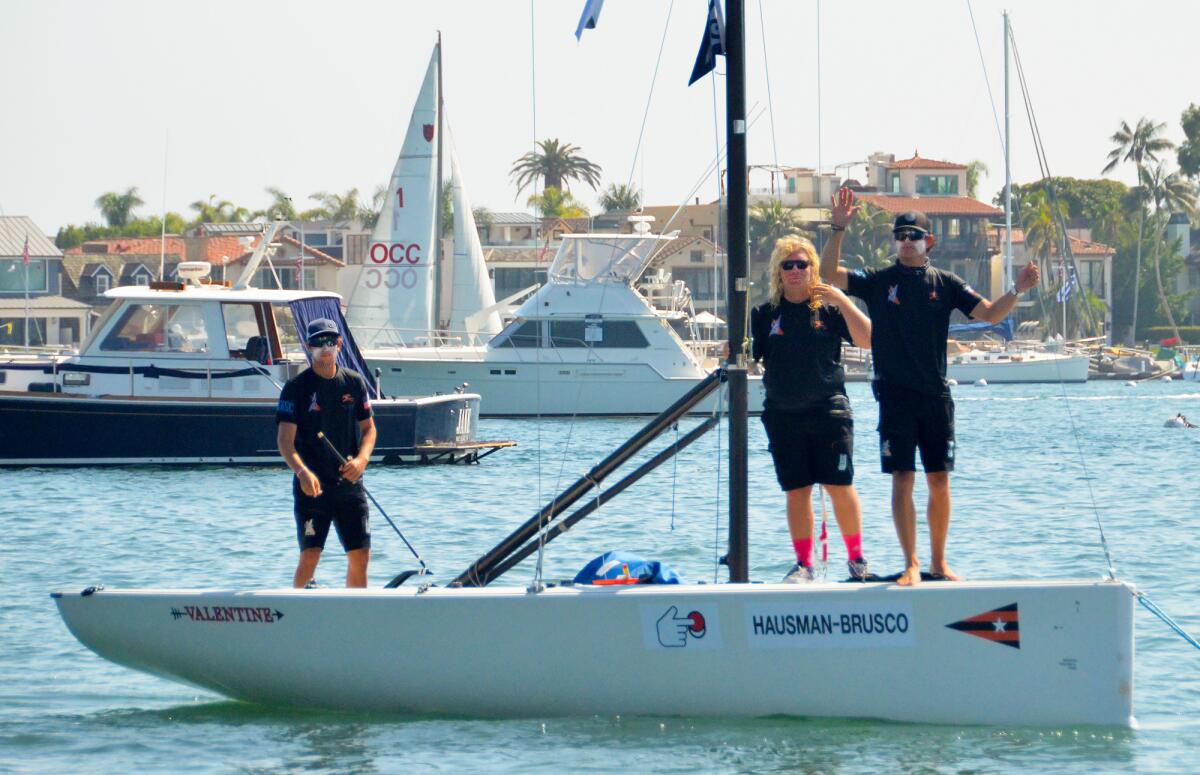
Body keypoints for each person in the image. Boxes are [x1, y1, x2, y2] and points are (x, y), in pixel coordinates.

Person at [820, 187, 1040, 586]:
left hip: (936, 396)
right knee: (903, 478)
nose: (906, 243)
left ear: (929, 242)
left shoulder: (947, 282)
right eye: (900, 237)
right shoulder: (879, 280)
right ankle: (912, 564)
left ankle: (939, 563)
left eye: (914, 237)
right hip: (894, 395)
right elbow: (829, 275)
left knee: (939, 479)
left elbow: (990, 314)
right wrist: (838, 228)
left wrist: (1018, 289)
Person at [751, 235, 874, 583]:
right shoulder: (764, 315)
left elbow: (867, 339)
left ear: (812, 269)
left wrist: (842, 299)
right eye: (787, 265)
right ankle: (804, 564)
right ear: (778, 271)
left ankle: (856, 559)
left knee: (839, 485)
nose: (794, 270)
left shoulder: (830, 310)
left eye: (801, 264)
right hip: (782, 414)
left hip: (829, 412)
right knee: (797, 489)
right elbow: (749, 357)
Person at [276, 318, 377, 588]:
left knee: (360, 555)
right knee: (310, 555)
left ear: (340, 344)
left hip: (350, 484)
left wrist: (362, 460)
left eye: (331, 341)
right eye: (319, 343)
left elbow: (369, 430)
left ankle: (356, 616)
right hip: (313, 487)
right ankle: (298, 612)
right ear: (309, 347)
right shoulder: (296, 388)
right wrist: (302, 472)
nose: (325, 347)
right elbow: (285, 441)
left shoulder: (354, 383)